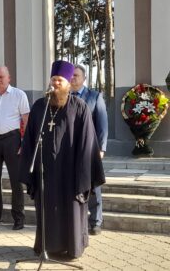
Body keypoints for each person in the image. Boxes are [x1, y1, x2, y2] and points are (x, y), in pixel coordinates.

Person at [19, 60, 105, 259]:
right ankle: (47, 246)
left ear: (68, 83)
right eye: (53, 79)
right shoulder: (40, 106)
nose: (55, 84)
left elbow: (87, 141)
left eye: (60, 80)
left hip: (71, 172)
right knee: (47, 210)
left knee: (71, 211)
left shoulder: (80, 106)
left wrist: (83, 174)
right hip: (45, 172)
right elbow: (30, 139)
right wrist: (30, 169)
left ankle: (72, 247)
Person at [0, 66, 30, 230]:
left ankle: (18, 217)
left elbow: (26, 120)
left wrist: (25, 143)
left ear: (9, 78)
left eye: (1, 77)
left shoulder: (19, 95)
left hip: (12, 140)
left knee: (16, 180)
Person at [71, 64, 108, 235]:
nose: (73, 78)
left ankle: (96, 221)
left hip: (91, 149)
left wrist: (101, 148)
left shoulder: (94, 96)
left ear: (84, 78)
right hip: (71, 150)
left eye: (76, 75)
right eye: (71, 75)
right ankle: (77, 221)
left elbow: (102, 125)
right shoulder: (66, 97)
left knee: (93, 185)